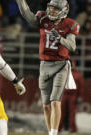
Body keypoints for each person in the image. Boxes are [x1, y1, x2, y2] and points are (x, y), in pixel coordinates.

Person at [16, 0, 80, 135]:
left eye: (56, 9)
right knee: (45, 105)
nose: (52, 11)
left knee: (55, 101)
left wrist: (60, 39)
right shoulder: (43, 18)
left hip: (61, 65)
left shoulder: (70, 24)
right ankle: (50, 131)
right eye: (51, 8)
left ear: (63, 11)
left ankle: (54, 133)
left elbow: (72, 47)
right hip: (44, 65)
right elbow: (26, 14)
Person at [59, 59, 85, 133]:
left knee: (72, 114)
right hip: (64, 94)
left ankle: (73, 129)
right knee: (61, 113)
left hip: (73, 96)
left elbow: (81, 87)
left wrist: (80, 96)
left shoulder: (78, 74)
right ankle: (58, 129)